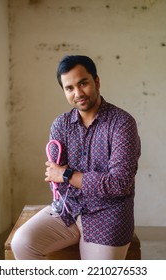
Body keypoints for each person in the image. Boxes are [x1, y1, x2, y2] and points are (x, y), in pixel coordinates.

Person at [11, 55, 141, 260]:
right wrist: (65, 177)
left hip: (108, 216)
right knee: (22, 243)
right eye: (69, 88)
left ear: (96, 81)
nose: (78, 93)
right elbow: (57, 182)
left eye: (83, 83)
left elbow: (119, 184)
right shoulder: (60, 125)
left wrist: (67, 174)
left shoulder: (122, 124)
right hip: (68, 209)